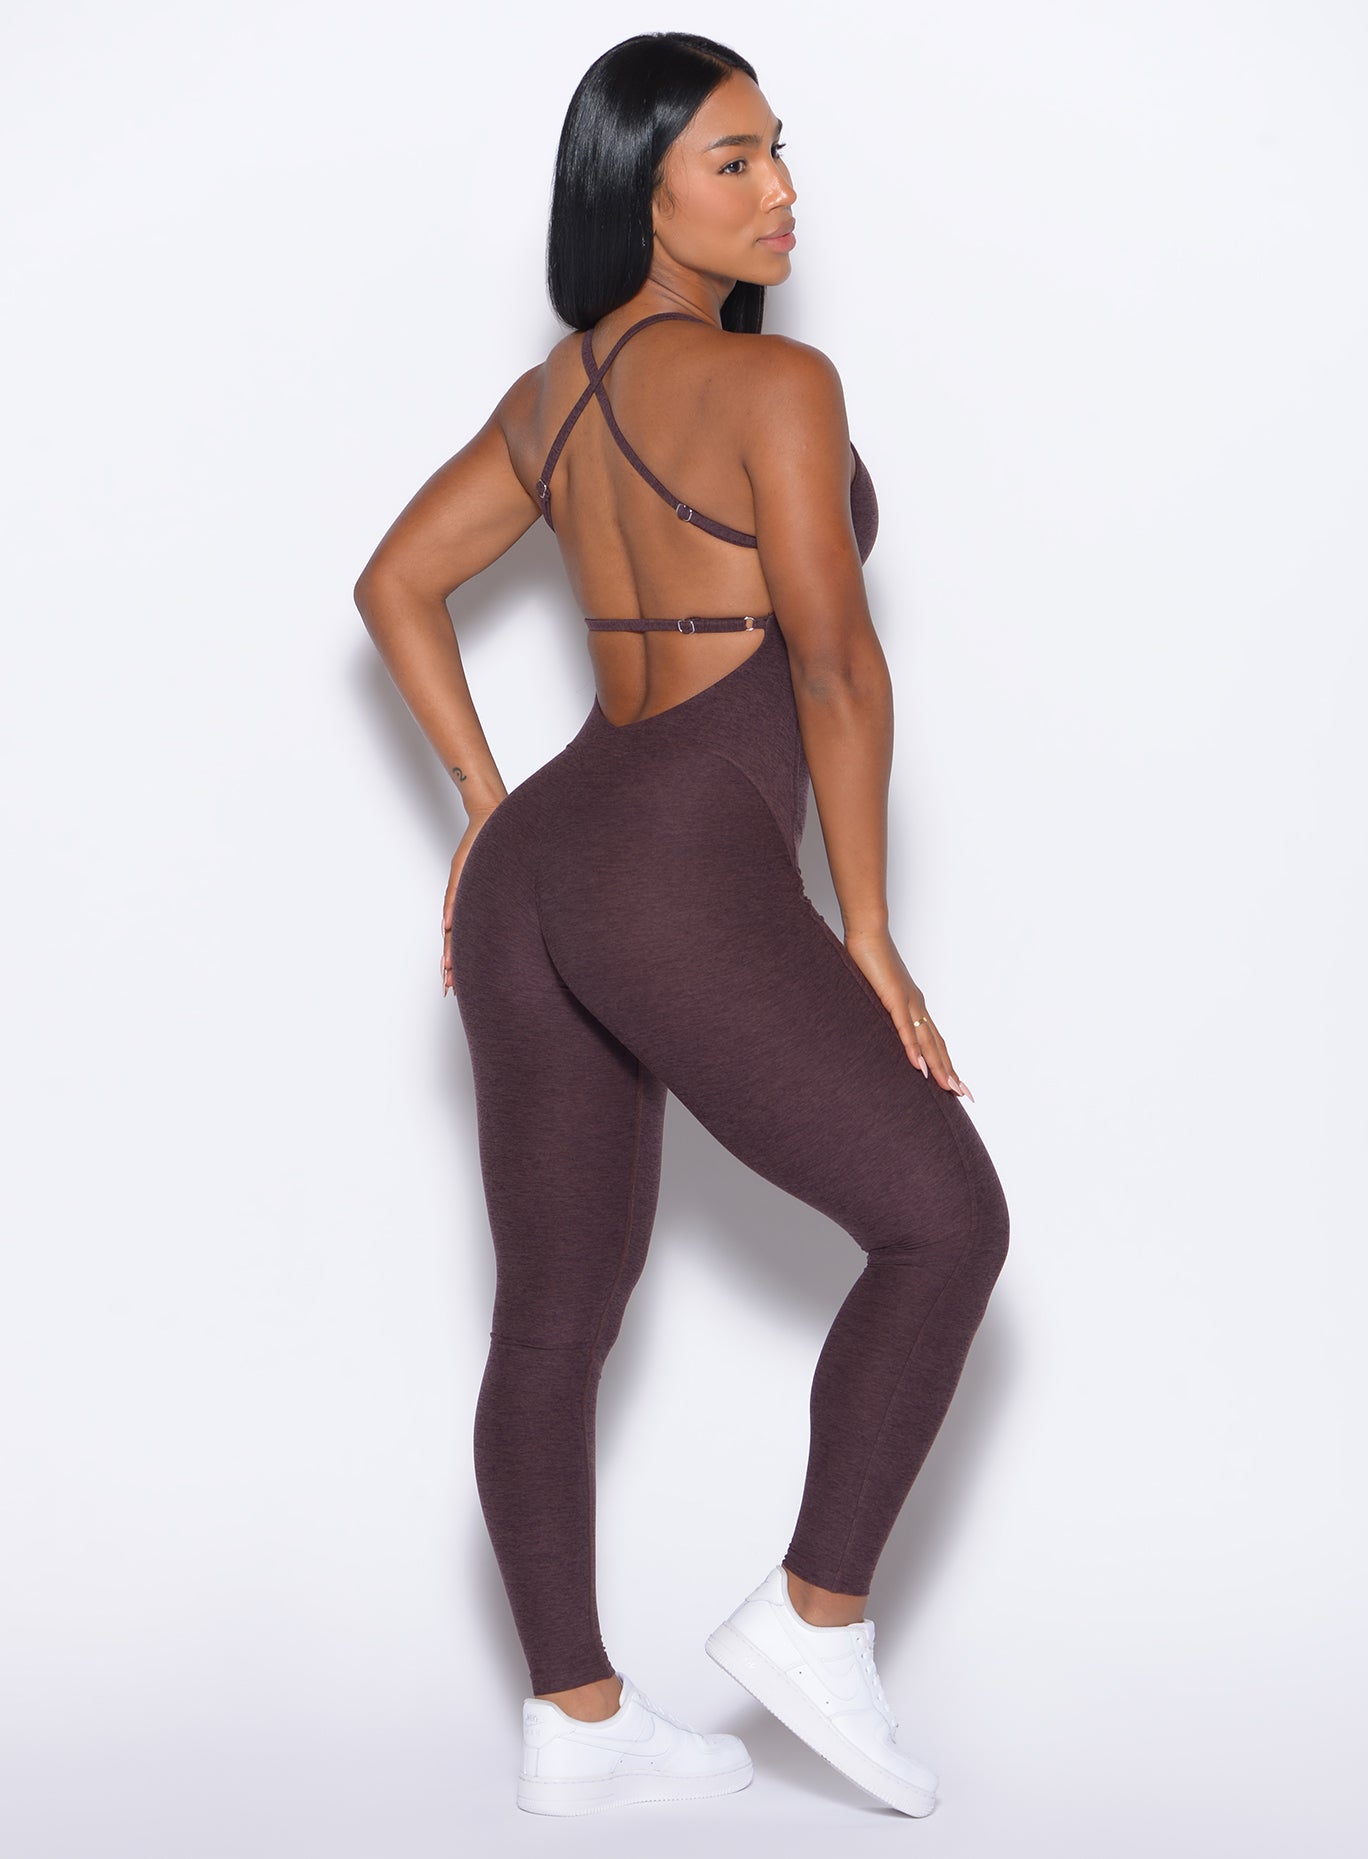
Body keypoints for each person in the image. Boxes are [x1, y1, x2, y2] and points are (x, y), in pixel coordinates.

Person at [354, 30, 1011, 1821]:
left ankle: (575, 1723)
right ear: (637, 193)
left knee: (551, 1320)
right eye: (733, 161)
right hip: (668, 861)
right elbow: (836, 664)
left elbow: (396, 583)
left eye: (781, 149)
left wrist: (488, 811)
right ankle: (816, 1618)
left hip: (545, 868)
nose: (781, 189)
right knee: (946, 1221)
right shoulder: (778, 386)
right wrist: (866, 931)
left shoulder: (552, 398)